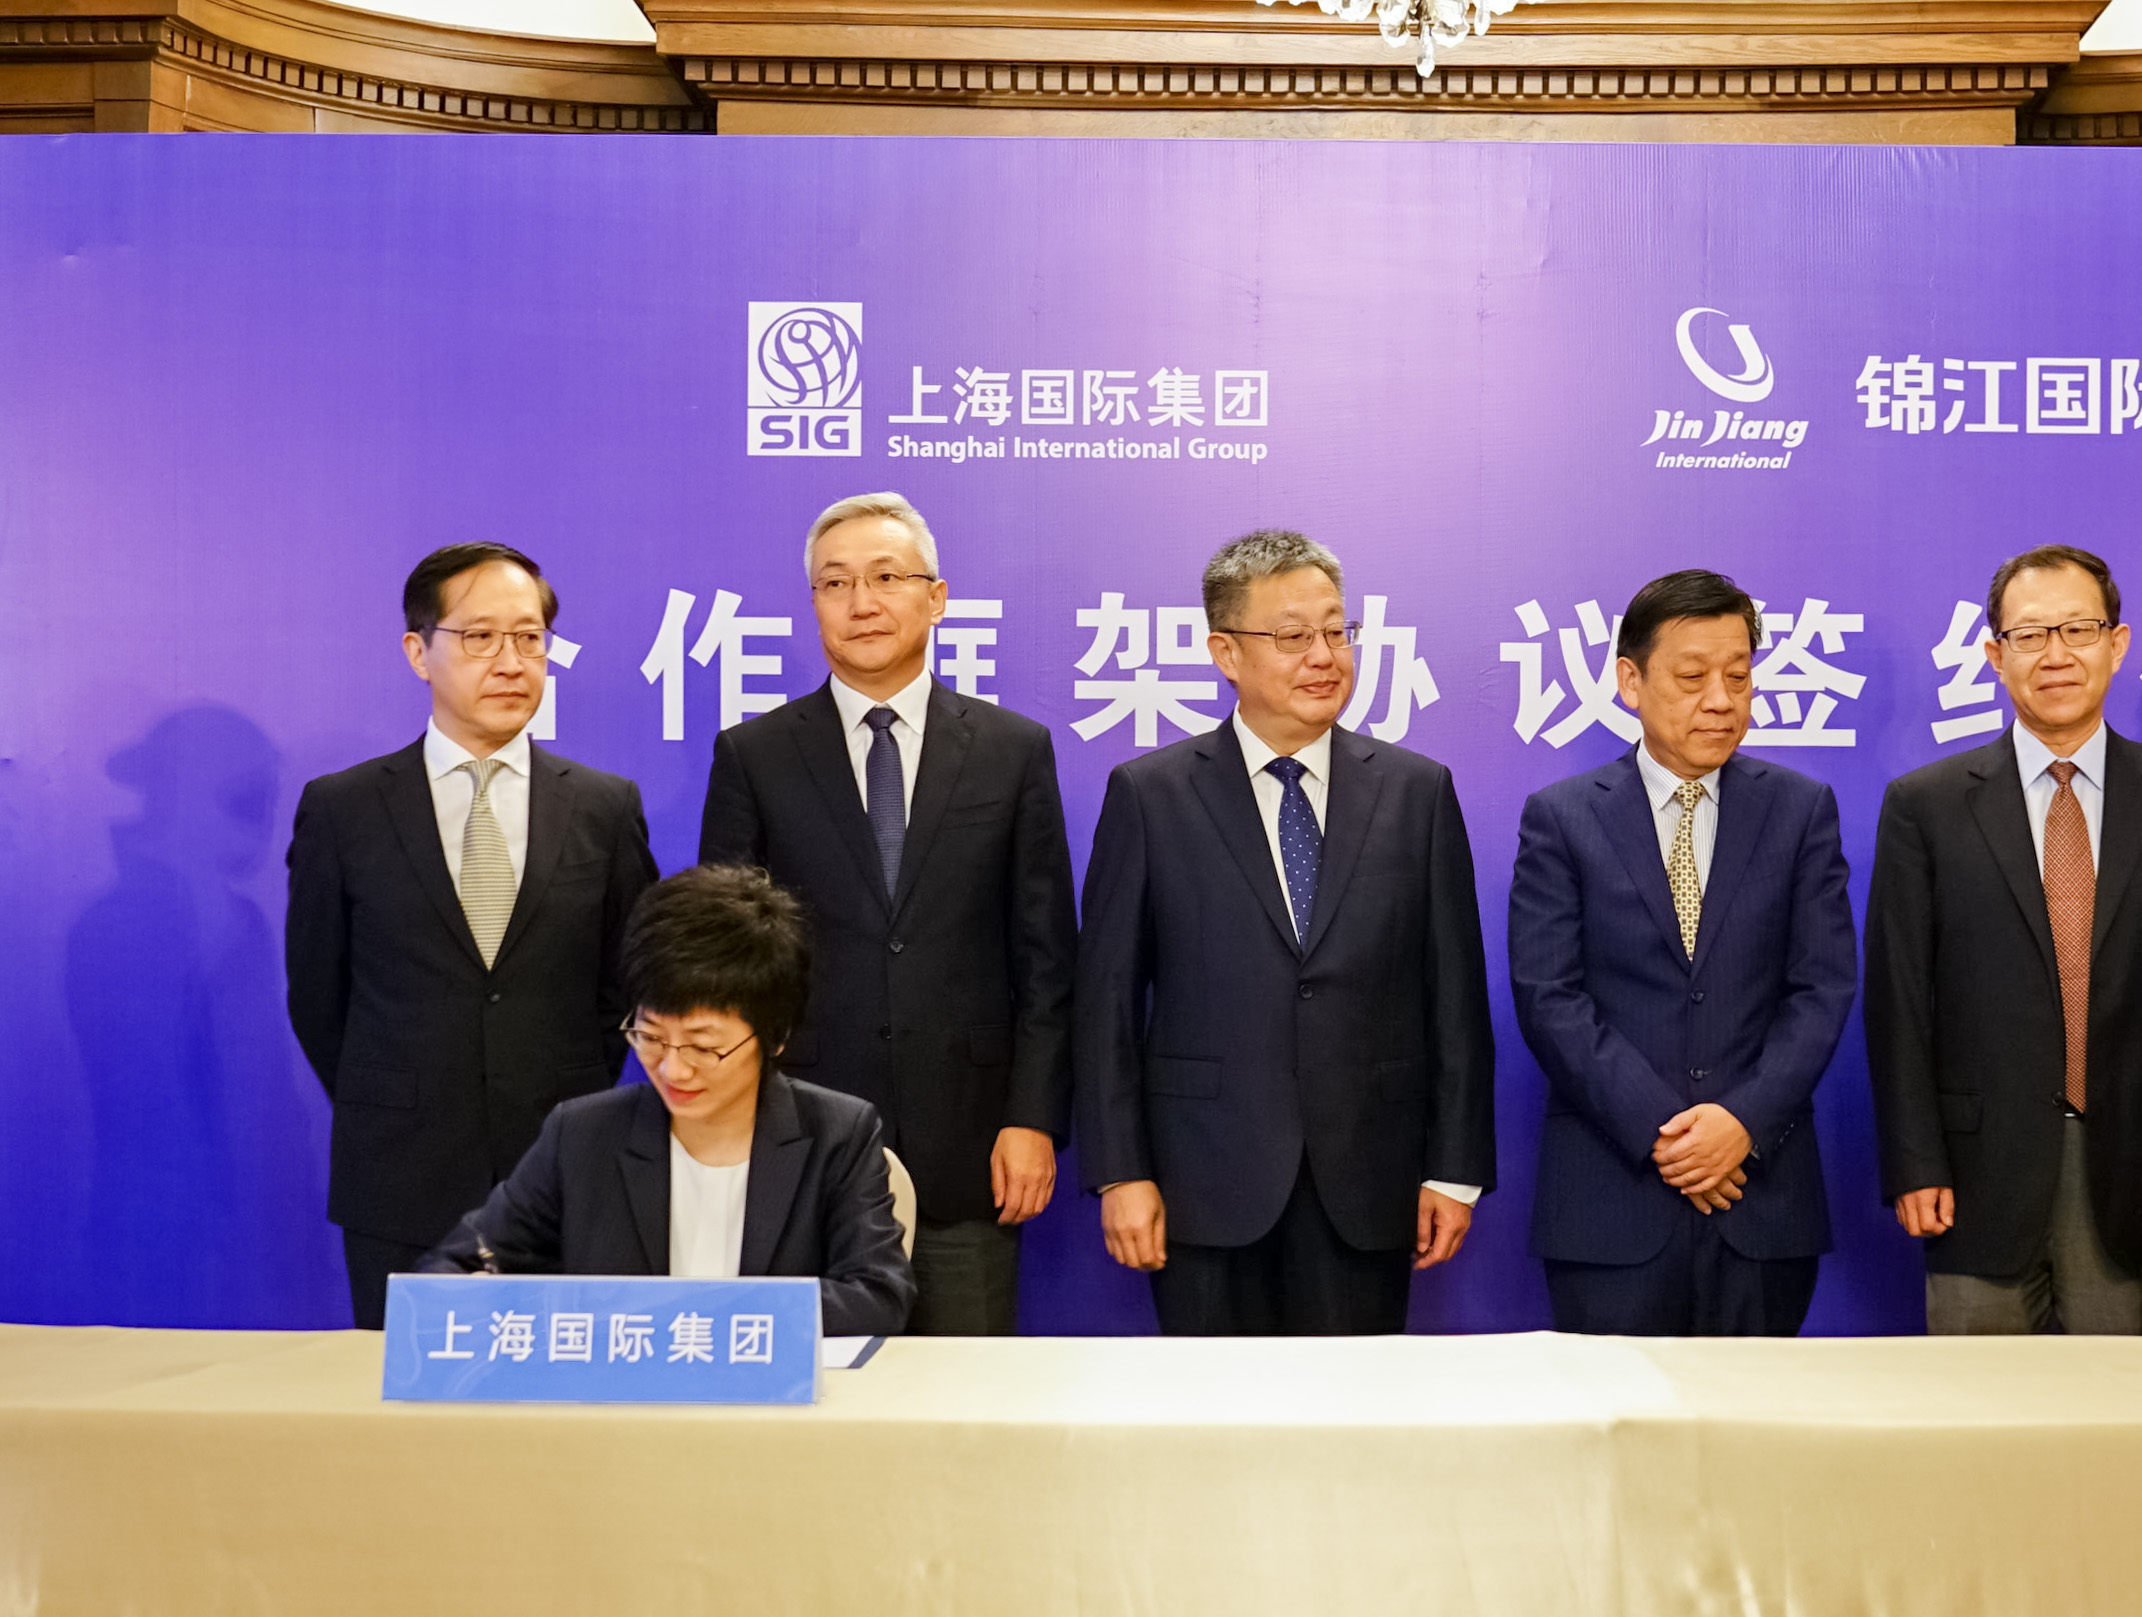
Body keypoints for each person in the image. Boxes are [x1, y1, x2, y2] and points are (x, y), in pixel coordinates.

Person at [1074, 529, 1496, 1336]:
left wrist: (1454, 1170)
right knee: (1211, 1410)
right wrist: (1120, 1171)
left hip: (1370, 1182)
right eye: (1293, 635)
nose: (1324, 656)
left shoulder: (1416, 793)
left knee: (1353, 1410)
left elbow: (1455, 999)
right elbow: (1106, 1005)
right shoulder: (1151, 796)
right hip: (1201, 1183)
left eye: (1336, 631)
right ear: (1226, 653)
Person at [698, 493, 1076, 1336]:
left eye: (885, 577)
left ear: (935, 597)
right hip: (800, 1143)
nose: (861, 602)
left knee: (968, 1396)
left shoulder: (1012, 751)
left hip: (973, 1148)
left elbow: (1047, 958)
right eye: (835, 583)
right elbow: (724, 967)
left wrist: (1032, 1117)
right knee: (816, 1390)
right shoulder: (755, 756)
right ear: (813, 605)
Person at [1866, 543, 2142, 1335]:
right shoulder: (1925, 805)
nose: (2055, 654)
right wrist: (1915, 1158)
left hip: (2139, 1172)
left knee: (2129, 1407)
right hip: (1972, 1176)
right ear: (1993, 655)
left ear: (2117, 642)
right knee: (1974, 1408)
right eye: (2030, 635)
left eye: (2078, 629)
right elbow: (1898, 999)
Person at [287, 541, 657, 1330]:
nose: (511, 661)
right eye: (480, 636)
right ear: (418, 651)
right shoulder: (345, 809)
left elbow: (625, 982)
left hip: (561, 1169)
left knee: (555, 1391)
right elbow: (319, 994)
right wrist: (397, 1095)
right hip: (399, 1173)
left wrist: (565, 1088)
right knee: (407, 1395)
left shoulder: (603, 807)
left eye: (529, 638)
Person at [1508, 570, 1855, 1337]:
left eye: (1738, 676)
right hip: (1610, 1198)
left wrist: (1740, 1122)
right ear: (1630, 681)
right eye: (1692, 677)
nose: (1721, 699)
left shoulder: (1799, 810)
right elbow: (1549, 997)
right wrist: (1668, 1134)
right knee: (1613, 1410)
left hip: (1760, 1197)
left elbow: (1821, 990)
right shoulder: (1563, 818)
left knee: (1758, 1414)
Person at [421, 865, 913, 1337]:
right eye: (651, 1036)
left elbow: (878, 1295)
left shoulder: (838, 1134)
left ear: (775, 1037)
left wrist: (694, 1314)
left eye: (703, 1046)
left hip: (769, 1393)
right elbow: (455, 1266)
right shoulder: (582, 1135)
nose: (673, 1069)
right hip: (618, 1392)